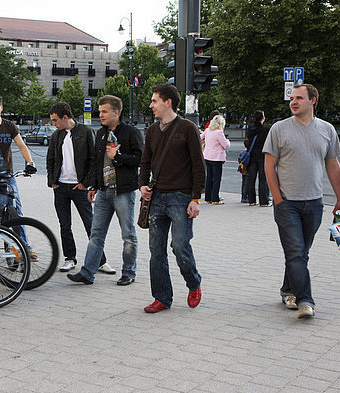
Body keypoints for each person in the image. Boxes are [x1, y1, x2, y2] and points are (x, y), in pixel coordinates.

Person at [264, 84, 340, 319]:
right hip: (287, 204)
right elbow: (269, 167)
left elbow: (332, 166)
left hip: (314, 204)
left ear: (313, 101)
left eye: (299, 98)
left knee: (300, 253)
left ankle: (288, 289)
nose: (293, 102)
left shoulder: (327, 130)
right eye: (292, 98)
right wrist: (278, 199)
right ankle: (305, 301)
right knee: (296, 252)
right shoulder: (279, 129)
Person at [139, 84, 205, 314]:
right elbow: (145, 161)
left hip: (181, 197)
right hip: (156, 197)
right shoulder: (152, 130)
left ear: (168, 102)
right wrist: (142, 185)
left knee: (179, 246)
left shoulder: (187, 128)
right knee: (156, 251)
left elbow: (199, 164)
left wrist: (196, 199)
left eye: (154, 100)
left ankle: (193, 282)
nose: (151, 105)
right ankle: (162, 297)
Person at [66, 95, 143, 286]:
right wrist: (93, 186)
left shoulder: (131, 132)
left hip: (122, 191)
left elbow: (140, 159)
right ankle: (87, 273)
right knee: (96, 233)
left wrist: (118, 156)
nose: (100, 115)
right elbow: (97, 162)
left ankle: (128, 272)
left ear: (116, 112)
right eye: (99, 111)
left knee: (128, 234)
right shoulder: (100, 133)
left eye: (104, 111)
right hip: (103, 191)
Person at [47, 101, 108, 273]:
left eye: (55, 120)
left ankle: (101, 261)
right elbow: (50, 159)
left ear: (65, 117)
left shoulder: (86, 132)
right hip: (60, 188)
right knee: (64, 225)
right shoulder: (56, 136)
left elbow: (94, 160)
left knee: (91, 224)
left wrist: (85, 183)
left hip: (79, 188)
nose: (53, 124)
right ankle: (69, 258)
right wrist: (52, 181)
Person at [0, 93, 37, 258]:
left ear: (1, 107)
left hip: (7, 175)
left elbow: (21, 145)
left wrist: (30, 163)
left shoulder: (9, 126)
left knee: (17, 210)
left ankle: (26, 247)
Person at [200, 115, 230, 205]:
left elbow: (200, 138)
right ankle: (215, 199)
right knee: (216, 179)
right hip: (216, 158)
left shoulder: (207, 131)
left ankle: (208, 198)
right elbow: (225, 145)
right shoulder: (219, 133)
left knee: (209, 178)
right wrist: (228, 141)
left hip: (207, 157)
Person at [246, 110, 271, 206]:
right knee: (263, 179)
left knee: (251, 179)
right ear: (263, 118)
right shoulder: (266, 130)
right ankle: (263, 201)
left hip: (252, 156)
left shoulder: (250, 130)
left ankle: (251, 200)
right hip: (262, 156)